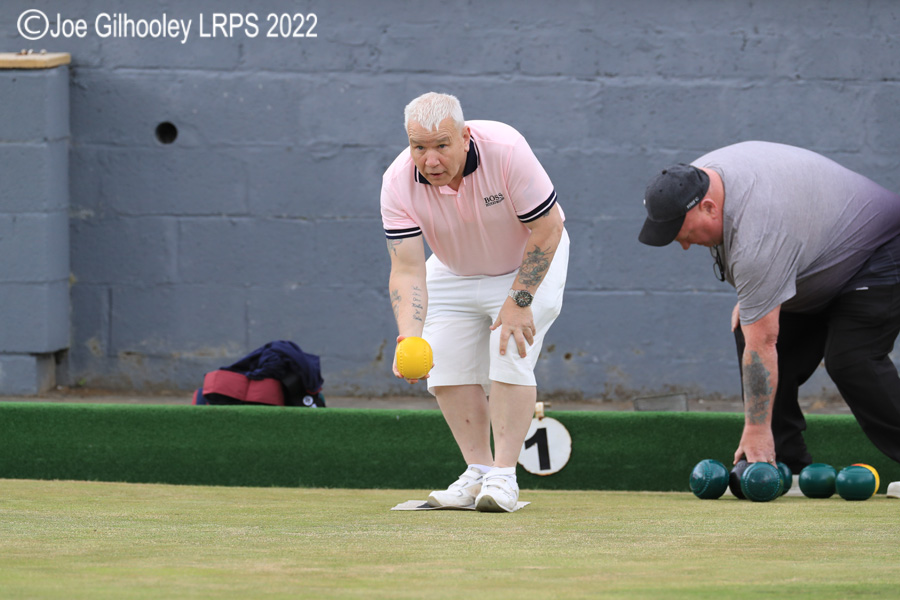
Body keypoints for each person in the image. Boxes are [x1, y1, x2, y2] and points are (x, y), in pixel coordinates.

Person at [638, 141, 900, 472]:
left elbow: (763, 341)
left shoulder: (757, 234)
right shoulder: (692, 180)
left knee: (851, 360)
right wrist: (754, 303)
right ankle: (780, 465)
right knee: (746, 329)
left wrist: (755, 429)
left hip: (881, 248)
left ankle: (763, 441)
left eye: (686, 233)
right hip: (816, 265)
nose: (687, 246)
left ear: (708, 207)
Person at [381, 92, 569, 512]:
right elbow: (408, 269)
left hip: (530, 260)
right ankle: (479, 470)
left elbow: (548, 229)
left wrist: (520, 300)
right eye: (419, 148)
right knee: (443, 365)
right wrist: (409, 337)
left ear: (465, 137)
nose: (430, 161)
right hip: (454, 270)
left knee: (508, 351)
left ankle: (504, 476)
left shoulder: (505, 150)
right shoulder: (396, 182)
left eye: (442, 145)